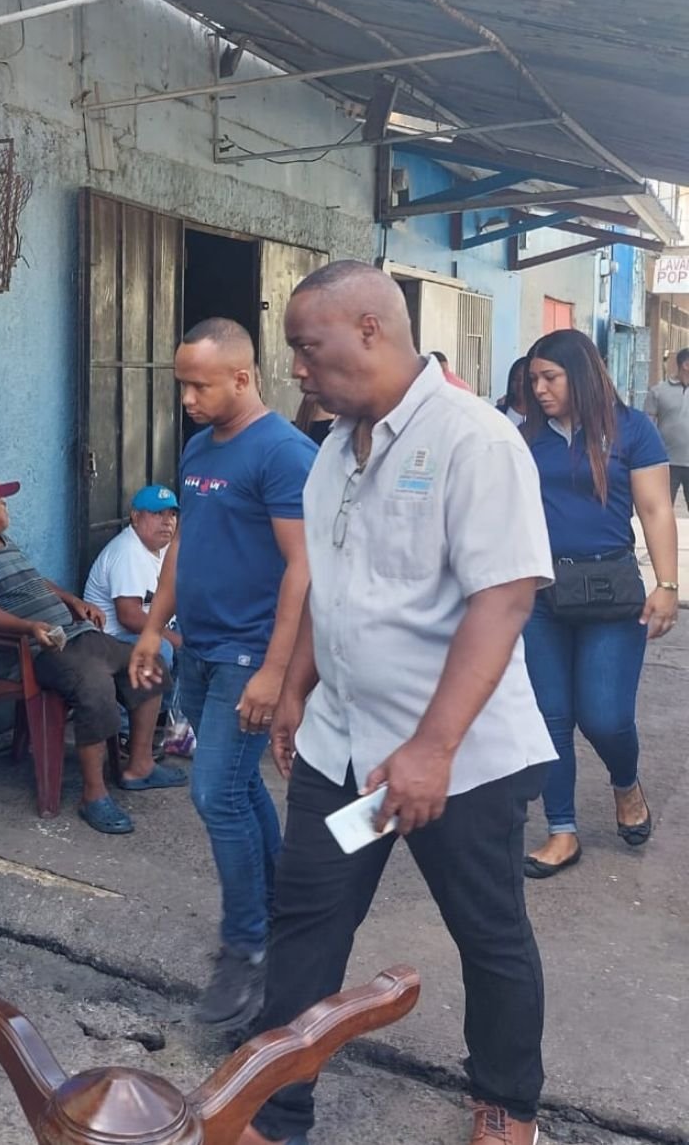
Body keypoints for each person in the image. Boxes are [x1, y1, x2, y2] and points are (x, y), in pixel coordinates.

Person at [243, 262, 556, 1145]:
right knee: (306, 920)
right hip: (343, 748)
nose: (296, 367)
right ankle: (276, 1111)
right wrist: (296, 687)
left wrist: (433, 748)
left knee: (488, 931)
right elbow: (330, 583)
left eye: (307, 346)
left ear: (370, 330)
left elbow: (504, 599)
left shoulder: (474, 439)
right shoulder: (331, 451)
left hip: (457, 760)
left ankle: (506, 1103)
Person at [130, 319, 314, 1033]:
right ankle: (281, 911)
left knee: (214, 793)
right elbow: (185, 544)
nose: (187, 398)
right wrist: (154, 626)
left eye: (199, 385)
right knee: (236, 787)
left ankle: (247, 944)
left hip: (247, 653)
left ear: (242, 377)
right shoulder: (200, 448)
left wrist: (276, 670)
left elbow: (302, 568)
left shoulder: (284, 453)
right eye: (182, 384)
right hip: (201, 645)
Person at [0, 474, 184, 836]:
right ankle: (93, 794)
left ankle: (140, 766)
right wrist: (31, 627)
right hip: (34, 651)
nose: (7, 507)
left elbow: (37, 582)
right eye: (2, 502)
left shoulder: (3, 543)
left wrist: (73, 601)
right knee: (95, 685)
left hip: (71, 635)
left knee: (150, 663)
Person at [521, 329, 676, 881]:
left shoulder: (631, 429)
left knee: (605, 716)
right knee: (550, 716)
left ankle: (625, 783)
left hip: (610, 591)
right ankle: (561, 830)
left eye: (550, 378)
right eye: (534, 380)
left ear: (581, 375)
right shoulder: (525, 435)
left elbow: (656, 509)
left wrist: (667, 585)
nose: (539, 389)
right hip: (540, 594)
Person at [83, 484, 181, 745]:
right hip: (111, 637)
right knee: (164, 648)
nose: (167, 521)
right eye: (157, 514)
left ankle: (167, 720)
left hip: (147, 627)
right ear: (136, 517)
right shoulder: (128, 550)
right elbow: (129, 616)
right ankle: (127, 731)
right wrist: (175, 638)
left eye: (172, 514)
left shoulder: (165, 548)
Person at [643, 346, 689, 509]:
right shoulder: (658, 392)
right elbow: (647, 427)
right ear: (686, 365)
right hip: (666, 463)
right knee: (662, 510)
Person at [496, 356, 530, 427]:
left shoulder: (543, 416)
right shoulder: (499, 413)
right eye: (516, 379)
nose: (520, 383)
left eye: (525, 379)